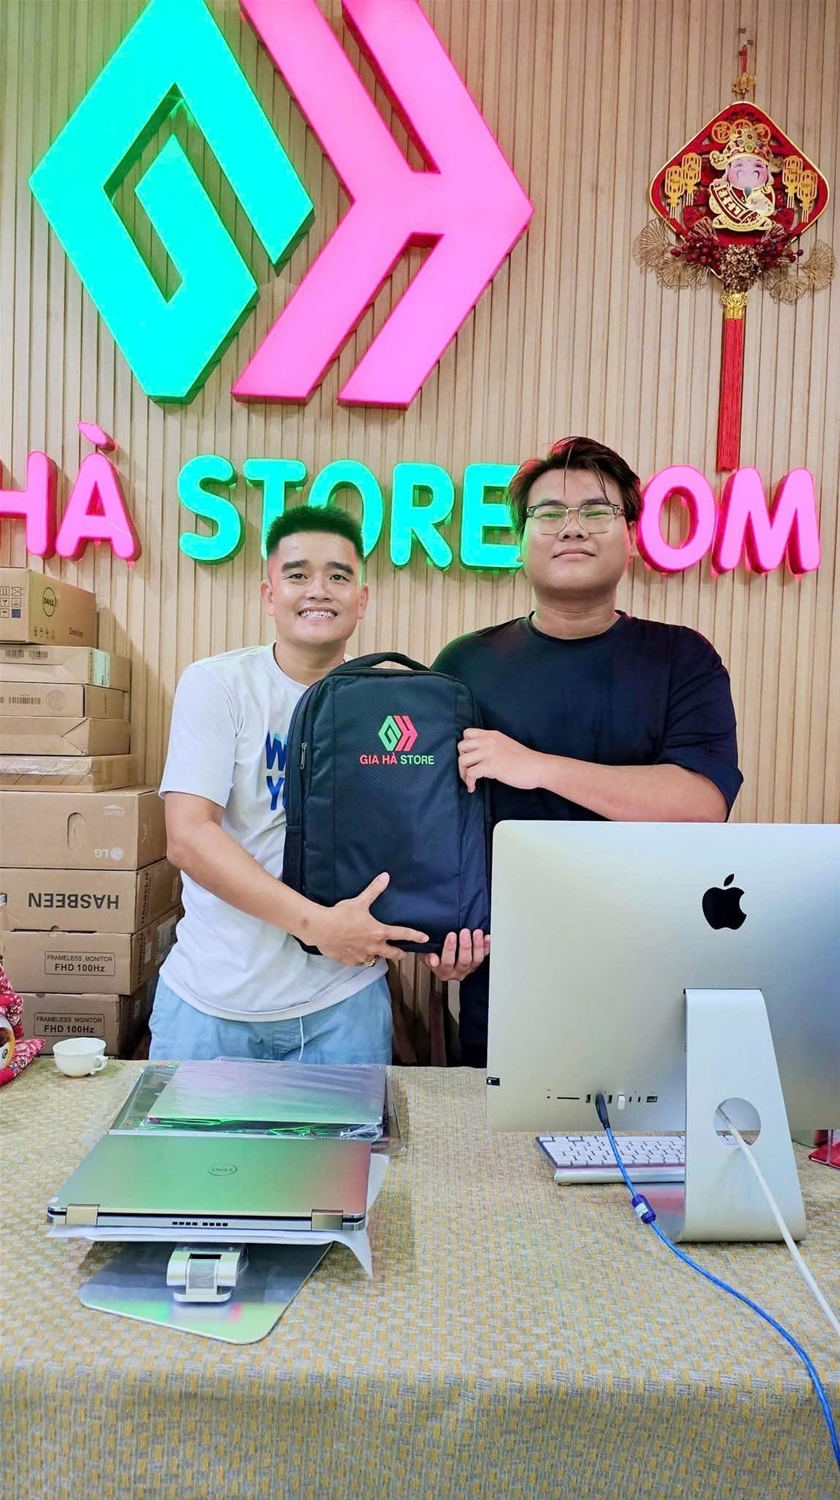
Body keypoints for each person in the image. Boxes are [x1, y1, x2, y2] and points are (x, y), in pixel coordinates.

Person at [433, 436, 743, 1066]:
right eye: (548, 512)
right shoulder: (465, 664)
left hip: (654, 970)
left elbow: (700, 803)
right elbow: (432, 823)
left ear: (631, 537)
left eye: (596, 511)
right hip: (506, 978)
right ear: (520, 541)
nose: (571, 527)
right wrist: (439, 930)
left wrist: (537, 767)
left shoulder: (682, 658)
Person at [149, 504, 434, 1063]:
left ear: (362, 599)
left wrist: (448, 934)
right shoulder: (218, 685)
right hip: (211, 1003)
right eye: (298, 574)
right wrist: (317, 926)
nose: (318, 590)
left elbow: (412, 839)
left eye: (338, 576)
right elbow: (188, 838)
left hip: (344, 1005)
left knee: (352, 1132)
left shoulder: (392, 704)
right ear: (269, 594)